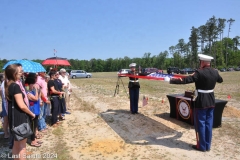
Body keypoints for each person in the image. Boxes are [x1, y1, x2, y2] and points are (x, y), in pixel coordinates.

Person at [170, 54, 223, 152]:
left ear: (202, 62)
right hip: (211, 100)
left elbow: (186, 80)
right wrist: (215, 74)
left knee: (200, 124)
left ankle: (201, 146)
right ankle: (207, 145)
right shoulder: (215, 72)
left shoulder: (199, 72)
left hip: (201, 101)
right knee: (208, 124)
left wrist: (172, 80)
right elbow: (220, 80)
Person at [4, 64, 35, 159]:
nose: (22, 72)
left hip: (13, 117)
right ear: (14, 73)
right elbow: (22, 105)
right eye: (20, 71)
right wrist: (31, 113)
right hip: (20, 118)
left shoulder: (8, 85)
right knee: (22, 146)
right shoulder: (15, 86)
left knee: (16, 143)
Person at [25, 73, 42, 147]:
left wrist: (38, 90)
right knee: (32, 126)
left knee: (35, 125)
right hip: (32, 110)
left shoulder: (33, 90)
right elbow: (35, 98)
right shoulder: (28, 91)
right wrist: (36, 90)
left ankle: (34, 138)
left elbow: (38, 96)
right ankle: (32, 141)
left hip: (36, 109)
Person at [0, 74, 9, 139]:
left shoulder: (3, 83)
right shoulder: (6, 83)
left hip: (4, 101)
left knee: (5, 119)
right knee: (6, 119)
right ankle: (6, 133)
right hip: (7, 102)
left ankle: (6, 133)